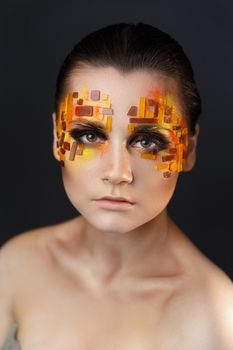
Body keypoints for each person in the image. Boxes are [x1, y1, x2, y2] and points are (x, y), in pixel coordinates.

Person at [0, 22, 233, 350]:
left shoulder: (217, 321)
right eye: (90, 135)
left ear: (189, 150)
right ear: (57, 137)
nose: (117, 172)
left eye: (148, 141)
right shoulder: (15, 265)